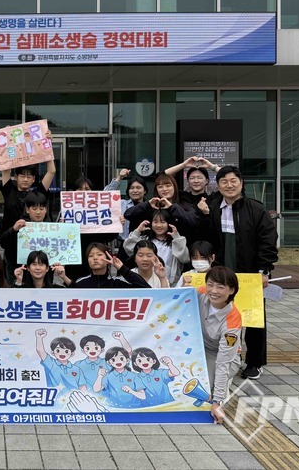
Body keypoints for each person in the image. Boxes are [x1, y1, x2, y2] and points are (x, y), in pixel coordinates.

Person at [198, 165, 278, 380]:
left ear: (241, 183)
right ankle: (227, 356)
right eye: (224, 181)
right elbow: (206, 237)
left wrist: (264, 270)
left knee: (253, 317)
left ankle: (254, 362)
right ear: (218, 185)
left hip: (251, 272)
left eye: (233, 180)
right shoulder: (213, 207)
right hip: (222, 272)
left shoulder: (255, 209)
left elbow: (268, 240)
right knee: (223, 316)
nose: (229, 185)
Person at [0, 139, 56, 276]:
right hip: (12, 247)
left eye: (29, 176)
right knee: (14, 283)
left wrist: (47, 144)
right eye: (22, 176)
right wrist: (8, 142)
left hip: (36, 250)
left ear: (33, 179)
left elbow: (52, 171)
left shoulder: (38, 193)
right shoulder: (9, 190)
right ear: (16, 177)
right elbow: (5, 167)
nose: (25, 179)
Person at [195, 266, 243, 423]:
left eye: (220, 287)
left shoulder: (232, 321)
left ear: (231, 290)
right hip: (199, 348)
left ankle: (220, 394)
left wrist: (217, 402)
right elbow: (174, 300)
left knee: (204, 387)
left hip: (222, 356)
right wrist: (163, 278)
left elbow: (223, 362)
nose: (213, 291)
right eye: (210, 284)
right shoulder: (201, 292)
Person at [124, 172, 199, 245]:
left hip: (180, 248)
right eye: (160, 187)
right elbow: (128, 214)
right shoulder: (153, 206)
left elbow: (193, 222)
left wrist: (172, 207)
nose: (164, 189)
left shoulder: (185, 205)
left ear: (174, 187)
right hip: (154, 248)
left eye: (168, 186)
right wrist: (147, 205)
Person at [123, 209, 189, 284]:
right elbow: (128, 247)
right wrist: (137, 231)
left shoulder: (175, 242)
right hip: (147, 281)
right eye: (155, 222)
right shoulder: (145, 240)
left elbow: (184, 258)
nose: (159, 225)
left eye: (163, 222)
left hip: (170, 283)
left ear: (169, 223)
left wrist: (177, 238)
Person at [0, 191, 50, 283]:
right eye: (34, 209)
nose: (38, 212)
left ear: (46, 210)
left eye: (41, 208)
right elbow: (3, 243)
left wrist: (63, 228)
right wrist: (13, 230)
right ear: (27, 209)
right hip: (22, 274)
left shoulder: (52, 228)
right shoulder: (21, 226)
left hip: (45, 278)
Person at [70, 243, 150, 289]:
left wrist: (122, 269)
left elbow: (145, 288)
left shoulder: (117, 282)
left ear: (108, 259)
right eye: (91, 256)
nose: (95, 258)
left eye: (99, 254)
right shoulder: (81, 283)